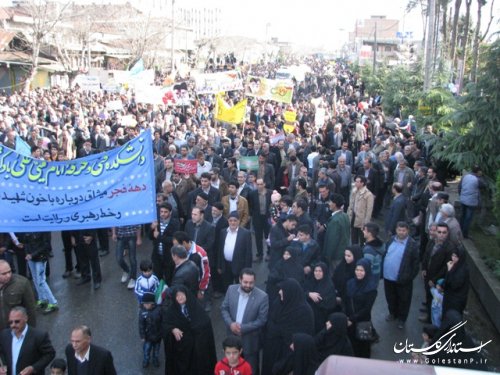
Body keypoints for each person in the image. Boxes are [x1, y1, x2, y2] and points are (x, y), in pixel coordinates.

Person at [220, 268, 269, 375]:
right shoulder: (231, 289)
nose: (248, 285)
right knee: (231, 367)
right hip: (232, 338)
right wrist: (231, 324)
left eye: (251, 283)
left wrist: (242, 328)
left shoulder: (262, 297)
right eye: (245, 282)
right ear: (240, 280)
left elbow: (262, 320)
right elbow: (224, 308)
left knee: (250, 370)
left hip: (250, 341)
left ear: (254, 282)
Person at [262, 278, 314, 375]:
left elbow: (304, 336)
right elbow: (270, 321)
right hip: (272, 348)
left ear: (291, 292)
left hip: (288, 353)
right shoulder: (278, 303)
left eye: (283, 289)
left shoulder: (304, 312)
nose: (280, 291)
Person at [162, 285, 217, 375]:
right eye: (177, 295)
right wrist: (173, 329)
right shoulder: (171, 311)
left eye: (182, 294)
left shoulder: (195, 306)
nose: (180, 297)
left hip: (198, 350)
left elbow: (205, 322)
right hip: (182, 352)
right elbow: (165, 325)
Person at [382, 221, 420, 329]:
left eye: (404, 230)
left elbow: (416, 264)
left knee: (404, 300)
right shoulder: (391, 240)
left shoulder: (412, 245)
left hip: (403, 279)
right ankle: (392, 313)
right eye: (399, 230)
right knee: (390, 297)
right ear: (396, 230)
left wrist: (408, 277)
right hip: (388, 276)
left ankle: (402, 319)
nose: (401, 232)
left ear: (407, 231)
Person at [0, 306, 55, 375]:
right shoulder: (4, 335)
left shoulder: (39, 336)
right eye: (10, 322)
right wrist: (2, 366)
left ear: (26, 318)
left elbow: (50, 354)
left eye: (17, 321)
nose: (13, 325)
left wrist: (33, 368)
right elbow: (1, 352)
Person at [17, 232, 59, 314]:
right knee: (35, 279)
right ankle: (42, 299)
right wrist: (28, 253)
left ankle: (53, 302)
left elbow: (46, 245)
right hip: (31, 257)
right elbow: (26, 242)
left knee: (41, 281)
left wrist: (32, 254)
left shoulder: (43, 228)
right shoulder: (28, 228)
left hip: (40, 258)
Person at [345, 259, 378, 358]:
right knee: (352, 345)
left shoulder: (371, 288)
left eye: (362, 270)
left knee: (363, 348)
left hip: (363, 322)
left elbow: (367, 309)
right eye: (357, 270)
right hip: (350, 320)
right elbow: (346, 300)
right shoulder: (350, 283)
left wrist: (351, 319)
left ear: (367, 271)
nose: (358, 273)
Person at [217, 212, 253, 290]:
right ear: (228, 221)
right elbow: (220, 250)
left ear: (239, 221)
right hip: (226, 266)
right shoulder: (223, 232)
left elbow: (248, 253)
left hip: (239, 266)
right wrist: (219, 265)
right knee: (227, 286)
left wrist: (247, 270)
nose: (232, 222)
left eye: (235, 220)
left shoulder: (245, 233)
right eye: (230, 220)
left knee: (240, 288)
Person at [0, 260, 36, 330]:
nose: (8, 275)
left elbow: (31, 310)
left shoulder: (22, 283)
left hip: (15, 330)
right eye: (4, 274)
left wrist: (30, 333)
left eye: (9, 272)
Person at [150, 202, 180, 284]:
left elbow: (174, 240)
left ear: (170, 212)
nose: (163, 214)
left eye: (165, 212)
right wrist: (152, 228)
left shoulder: (175, 223)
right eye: (161, 211)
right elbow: (151, 237)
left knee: (169, 279)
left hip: (169, 257)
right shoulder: (156, 222)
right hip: (157, 256)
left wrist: (159, 236)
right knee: (157, 279)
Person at [304, 262, 338, 333]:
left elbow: (330, 304)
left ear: (324, 272)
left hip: (322, 318)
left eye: (320, 271)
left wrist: (317, 300)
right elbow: (302, 292)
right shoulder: (310, 281)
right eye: (316, 271)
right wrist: (309, 294)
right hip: (308, 316)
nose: (317, 273)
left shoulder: (329, 285)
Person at [323, 193, 350, 270]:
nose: (329, 203)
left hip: (335, 256)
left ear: (334, 204)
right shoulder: (345, 216)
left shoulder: (335, 221)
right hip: (343, 252)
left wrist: (327, 257)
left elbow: (332, 240)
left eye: (330, 202)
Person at [458, 166, 485, 239]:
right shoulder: (477, 179)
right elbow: (483, 185)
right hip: (471, 202)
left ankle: (459, 231)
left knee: (462, 216)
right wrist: (481, 177)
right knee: (468, 218)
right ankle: (465, 234)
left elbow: (459, 187)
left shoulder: (465, 176)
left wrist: (461, 194)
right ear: (478, 172)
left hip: (463, 199)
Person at [112, 224, 142, 290]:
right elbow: (113, 221)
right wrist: (114, 233)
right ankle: (126, 270)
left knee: (132, 259)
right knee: (119, 258)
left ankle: (133, 278)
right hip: (120, 236)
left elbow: (138, 225)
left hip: (132, 235)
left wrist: (139, 238)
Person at [442, 245, 469, 316]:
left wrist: (449, 271)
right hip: (450, 299)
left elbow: (454, 285)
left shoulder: (462, 270)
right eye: (453, 255)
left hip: (455, 302)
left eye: (456, 257)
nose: (453, 258)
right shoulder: (456, 266)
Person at [347, 176, 374, 245]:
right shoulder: (354, 191)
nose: (355, 183)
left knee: (362, 238)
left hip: (361, 220)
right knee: (353, 236)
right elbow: (351, 205)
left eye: (357, 182)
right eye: (355, 181)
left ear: (362, 183)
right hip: (353, 217)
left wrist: (366, 223)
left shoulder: (368, 194)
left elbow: (369, 211)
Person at [138, 292, 162, 368]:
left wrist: (162, 333)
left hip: (157, 336)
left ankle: (155, 359)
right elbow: (141, 325)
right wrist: (142, 336)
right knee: (146, 350)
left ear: (152, 303)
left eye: (147, 303)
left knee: (156, 351)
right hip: (147, 336)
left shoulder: (159, 310)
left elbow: (162, 322)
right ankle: (146, 360)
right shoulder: (142, 311)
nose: (145, 305)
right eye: (144, 303)